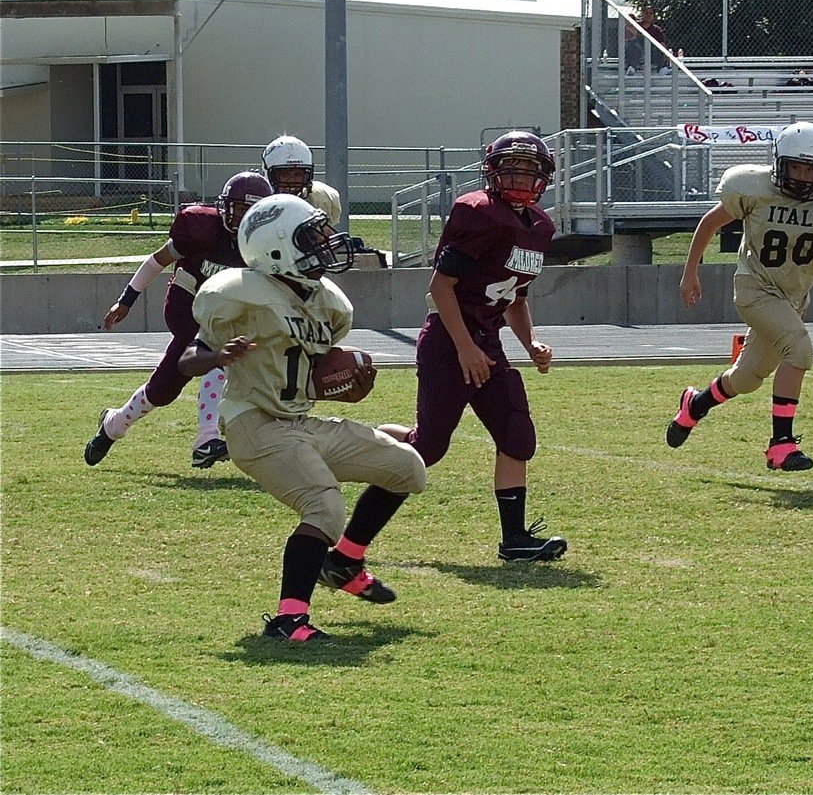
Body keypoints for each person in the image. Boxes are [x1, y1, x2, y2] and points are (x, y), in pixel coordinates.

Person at [179, 193, 426, 641]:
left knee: (406, 466)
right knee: (324, 505)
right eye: (310, 236)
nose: (324, 242)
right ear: (277, 249)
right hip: (253, 423)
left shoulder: (323, 301)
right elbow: (186, 361)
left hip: (298, 422)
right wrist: (217, 356)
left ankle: (344, 561)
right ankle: (289, 620)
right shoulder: (241, 295)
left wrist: (339, 384)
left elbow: (310, 373)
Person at [389, 131, 567, 563]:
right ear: (493, 171)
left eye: (528, 169)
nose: (520, 177)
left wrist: (531, 342)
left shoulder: (540, 227)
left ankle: (515, 540)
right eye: (512, 167)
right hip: (451, 341)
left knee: (516, 434)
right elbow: (441, 286)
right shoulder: (478, 213)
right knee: (427, 447)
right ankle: (353, 448)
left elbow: (516, 296)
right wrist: (465, 347)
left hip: (487, 341)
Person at [666, 121, 813, 471]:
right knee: (800, 349)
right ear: (779, 163)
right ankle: (782, 445)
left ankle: (694, 406)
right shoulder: (755, 190)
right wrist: (690, 272)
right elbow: (709, 224)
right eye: (796, 167)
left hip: (791, 300)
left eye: (811, 169)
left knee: (746, 378)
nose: (803, 177)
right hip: (755, 289)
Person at [84, 171, 274, 469]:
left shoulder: (263, 246)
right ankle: (206, 439)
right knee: (217, 356)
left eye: (250, 211)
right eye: (237, 208)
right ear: (224, 206)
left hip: (226, 319)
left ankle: (114, 424)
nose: (241, 218)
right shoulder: (203, 230)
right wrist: (126, 299)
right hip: (187, 310)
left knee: (161, 390)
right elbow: (158, 260)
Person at [261, 135, 343, 223]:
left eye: (298, 174)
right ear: (269, 174)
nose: (292, 180)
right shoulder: (258, 198)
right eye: (284, 174)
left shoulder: (319, 198)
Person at [623, 6, 670, 73]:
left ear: (654, 16)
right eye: (646, 13)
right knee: (632, 43)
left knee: (660, 46)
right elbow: (628, 34)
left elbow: (662, 43)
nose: (648, 15)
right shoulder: (636, 25)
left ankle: (662, 69)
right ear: (643, 14)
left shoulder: (657, 29)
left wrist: (667, 56)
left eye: (651, 13)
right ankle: (632, 67)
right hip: (637, 51)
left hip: (651, 52)